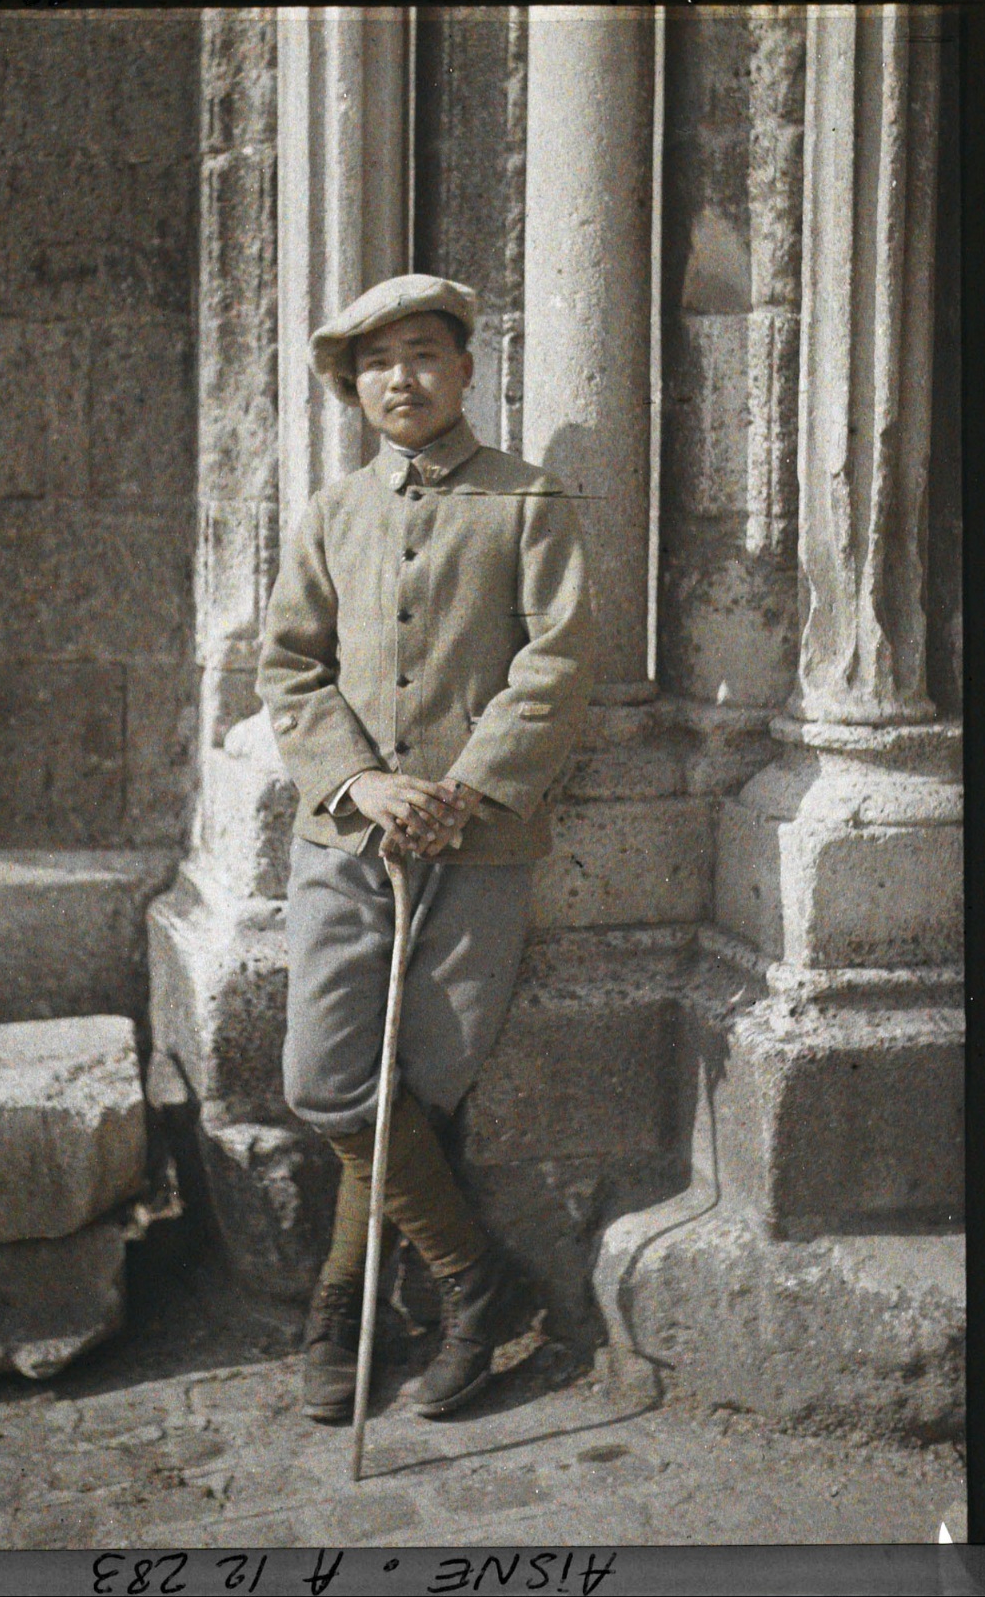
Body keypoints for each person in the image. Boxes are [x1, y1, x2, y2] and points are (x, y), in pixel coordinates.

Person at [256, 273, 594, 1422]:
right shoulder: (330, 513)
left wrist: (460, 789)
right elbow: (289, 668)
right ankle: (472, 1283)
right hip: (343, 841)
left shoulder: (525, 500)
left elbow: (554, 663)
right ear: (350, 390)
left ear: (463, 370)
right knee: (327, 1079)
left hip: (478, 845)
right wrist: (360, 781)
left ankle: (341, 1315)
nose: (399, 378)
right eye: (373, 363)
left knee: (425, 1085)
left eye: (421, 354)